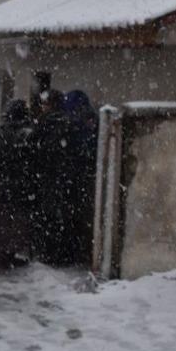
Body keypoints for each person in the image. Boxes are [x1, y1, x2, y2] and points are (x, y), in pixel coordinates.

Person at [0, 100, 38, 270]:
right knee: (18, 221)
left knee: (1, 220)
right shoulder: (29, 134)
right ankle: (12, 253)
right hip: (22, 186)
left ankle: (1, 255)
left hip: (1, 185)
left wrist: (2, 167)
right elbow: (34, 161)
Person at [31, 89, 73, 265]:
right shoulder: (67, 122)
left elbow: (34, 146)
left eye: (44, 103)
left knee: (46, 216)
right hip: (63, 176)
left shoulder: (43, 122)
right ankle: (60, 253)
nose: (42, 106)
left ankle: (47, 253)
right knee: (59, 215)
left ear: (49, 104)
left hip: (46, 175)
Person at [62, 90, 99, 265]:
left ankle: (72, 252)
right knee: (77, 216)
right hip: (82, 176)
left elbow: (82, 148)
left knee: (72, 216)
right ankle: (77, 250)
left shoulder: (76, 122)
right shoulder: (89, 120)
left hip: (76, 176)